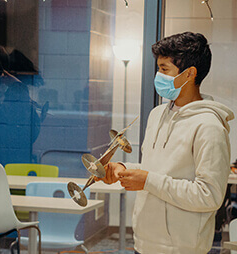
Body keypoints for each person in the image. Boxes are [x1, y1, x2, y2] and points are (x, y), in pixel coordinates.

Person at [96, 32, 234, 254]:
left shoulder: (209, 126)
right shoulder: (158, 114)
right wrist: (125, 170)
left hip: (181, 248)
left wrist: (148, 180)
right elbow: (157, 171)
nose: (158, 75)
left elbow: (209, 195)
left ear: (189, 74)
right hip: (145, 241)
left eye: (164, 69)